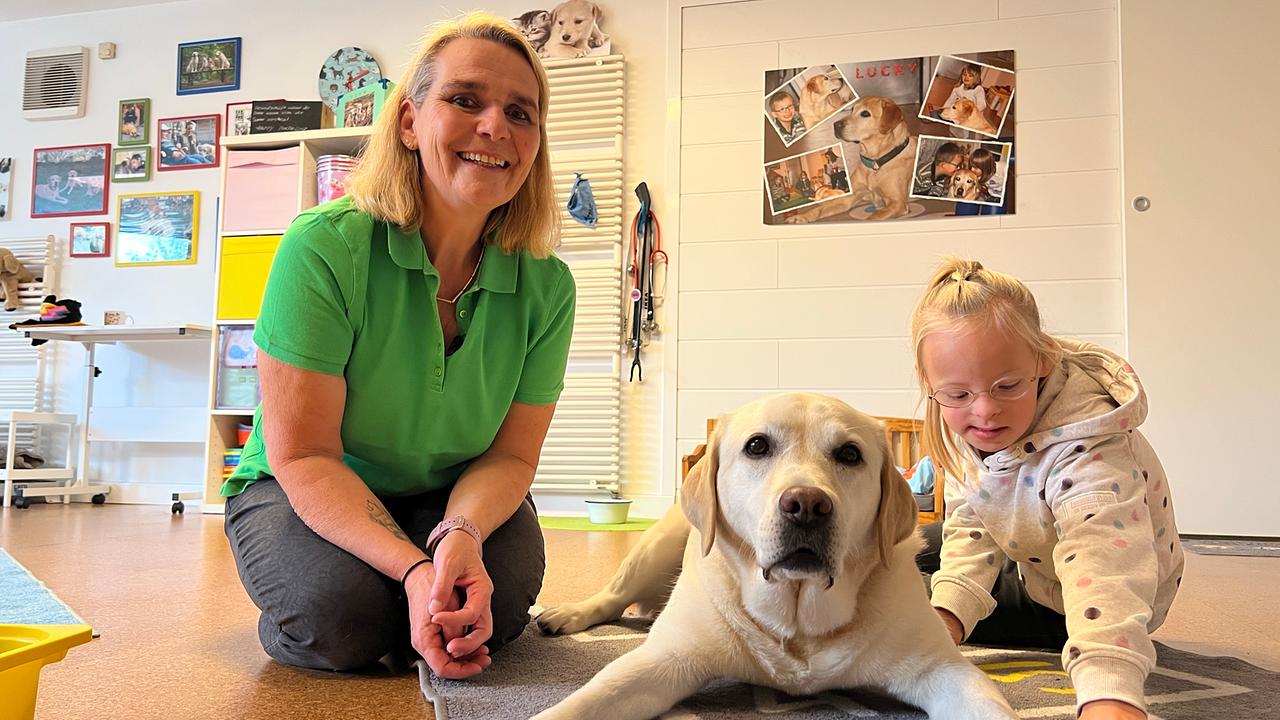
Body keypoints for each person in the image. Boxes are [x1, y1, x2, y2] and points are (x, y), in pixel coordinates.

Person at [221, 11, 574, 682]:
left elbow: (510, 455)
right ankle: (371, 590)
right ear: (410, 123)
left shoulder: (548, 284)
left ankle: (412, 577)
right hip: (303, 482)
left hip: (451, 493)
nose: (495, 126)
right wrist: (415, 570)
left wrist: (460, 536)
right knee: (344, 622)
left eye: (520, 113)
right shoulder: (324, 246)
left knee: (495, 614)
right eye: (465, 100)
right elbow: (306, 455)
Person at [912, 258, 1184, 720]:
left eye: (1006, 386)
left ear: (1044, 360)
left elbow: (1104, 561)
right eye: (958, 395)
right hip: (1034, 553)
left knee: (890, 593)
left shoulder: (1090, 446)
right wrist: (949, 617)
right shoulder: (974, 432)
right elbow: (976, 524)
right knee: (909, 547)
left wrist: (1109, 691)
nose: (984, 412)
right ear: (932, 386)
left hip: (1079, 600)